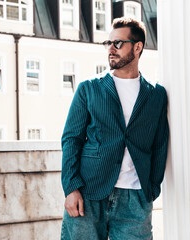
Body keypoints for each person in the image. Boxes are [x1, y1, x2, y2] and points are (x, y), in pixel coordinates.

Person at [60, 17, 169, 240]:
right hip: (88, 195)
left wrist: (152, 188)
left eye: (118, 43)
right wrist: (71, 188)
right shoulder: (89, 89)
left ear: (137, 47)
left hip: (135, 200)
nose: (110, 48)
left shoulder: (156, 95)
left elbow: (160, 144)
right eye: (108, 43)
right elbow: (71, 139)